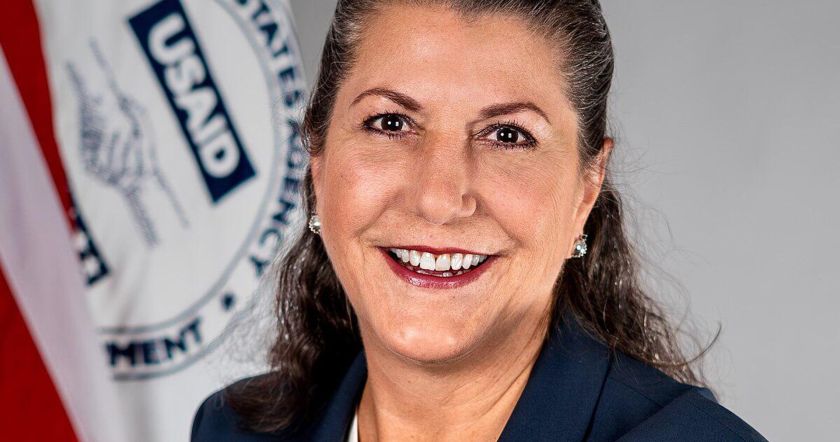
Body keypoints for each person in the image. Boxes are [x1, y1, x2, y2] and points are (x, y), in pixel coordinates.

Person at [191, 1, 767, 440]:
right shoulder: (232, 430)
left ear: (587, 187)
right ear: (317, 158)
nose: (439, 200)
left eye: (508, 135)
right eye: (390, 123)